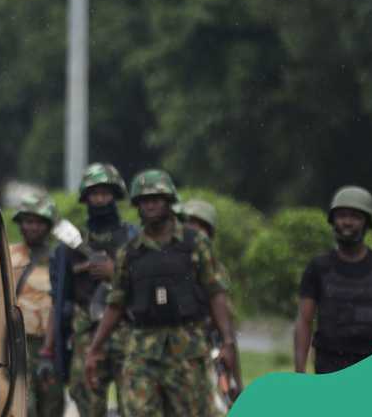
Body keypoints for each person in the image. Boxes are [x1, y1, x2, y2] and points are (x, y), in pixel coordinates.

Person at [85, 169, 236, 417]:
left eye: (156, 198)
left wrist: (227, 342)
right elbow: (116, 304)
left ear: (168, 201)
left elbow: (215, 293)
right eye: (144, 200)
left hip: (187, 349)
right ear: (137, 205)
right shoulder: (130, 252)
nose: (151, 205)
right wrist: (94, 348)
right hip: (143, 349)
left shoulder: (195, 242)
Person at [53, 163, 137, 417]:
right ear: (86, 198)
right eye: (94, 194)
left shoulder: (133, 238)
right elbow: (61, 299)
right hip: (86, 335)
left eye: (105, 193)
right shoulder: (72, 242)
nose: (100, 200)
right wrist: (57, 353)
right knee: (87, 403)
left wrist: (116, 274)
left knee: (135, 405)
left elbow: (147, 284)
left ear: (115, 196)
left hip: (127, 330)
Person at [293, 186, 372, 374]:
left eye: (355, 217)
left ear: (367, 223)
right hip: (330, 366)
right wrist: (300, 370)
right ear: (333, 220)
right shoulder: (318, 268)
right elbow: (304, 321)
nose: (347, 222)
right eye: (342, 215)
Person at [0, 195, 65, 417]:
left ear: (48, 225)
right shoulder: (7, 253)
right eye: (28, 221)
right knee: (20, 406)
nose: (33, 227)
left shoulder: (60, 258)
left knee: (51, 404)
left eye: (39, 222)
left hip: (50, 344)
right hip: (12, 344)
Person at [180, 199, 243, 412]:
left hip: (206, 352)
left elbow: (227, 327)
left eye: (200, 225)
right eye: (188, 223)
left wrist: (236, 380)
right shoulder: (164, 261)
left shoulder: (215, 270)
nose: (193, 230)